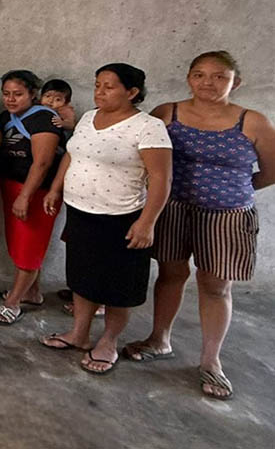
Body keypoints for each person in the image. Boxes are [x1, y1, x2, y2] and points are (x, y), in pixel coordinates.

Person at [122, 51, 275, 399]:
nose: (208, 82)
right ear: (189, 78)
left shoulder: (252, 122)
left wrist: (236, 188)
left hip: (227, 215)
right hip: (173, 208)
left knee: (215, 286)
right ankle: (159, 339)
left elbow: (271, 170)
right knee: (170, 274)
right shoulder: (167, 113)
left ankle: (210, 360)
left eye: (219, 76)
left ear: (236, 82)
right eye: (200, 74)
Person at [40, 63, 172, 375]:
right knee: (82, 278)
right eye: (97, 85)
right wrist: (56, 189)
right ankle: (79, 334)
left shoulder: (148, 126)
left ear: (132, 92)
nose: (99, 92)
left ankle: (109, 342)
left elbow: (161, 178)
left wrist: (147, 222)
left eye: (109, 87)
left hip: (122, 218)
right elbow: (72, 155)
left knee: (117, 286)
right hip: (81, 213)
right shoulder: (88, 118)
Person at [0, 70, 64, 324]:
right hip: (11, 186)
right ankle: (32, 292)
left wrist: (25, 196)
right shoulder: (5, 117)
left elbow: (42, 163)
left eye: (18, 94)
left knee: (30, 245)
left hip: (36, 192)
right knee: (20, 244)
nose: (11, 99)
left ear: (33, 94)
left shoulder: (44, 119)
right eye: (6, 94)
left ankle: (13, 303)